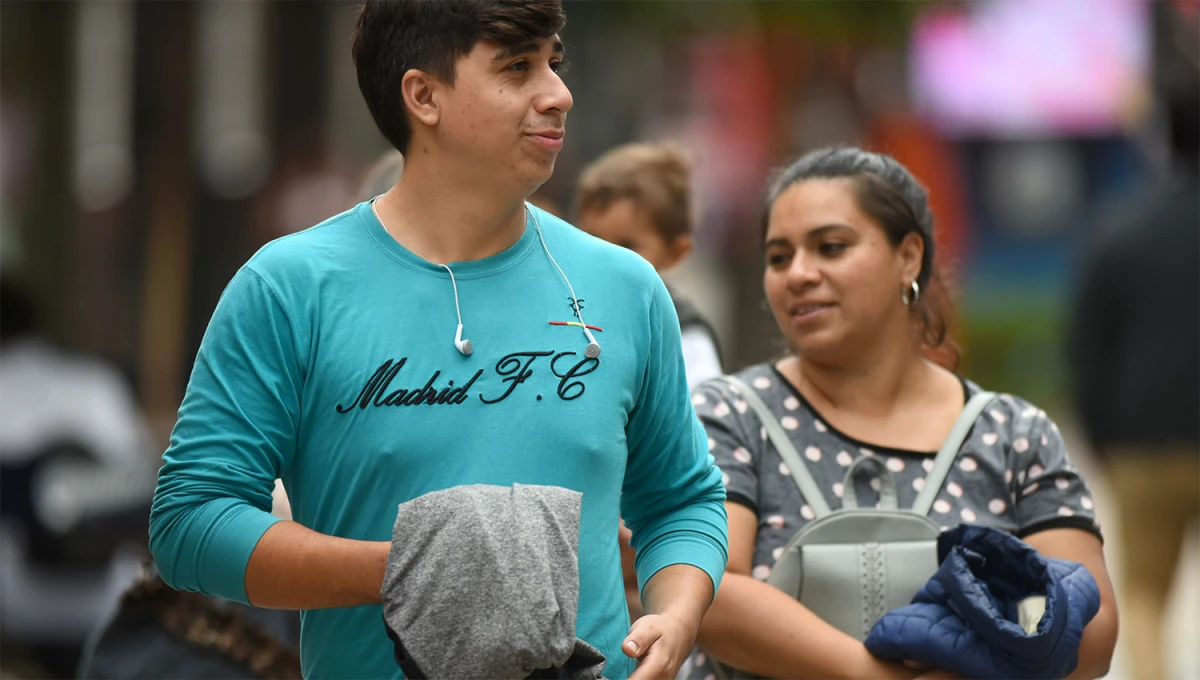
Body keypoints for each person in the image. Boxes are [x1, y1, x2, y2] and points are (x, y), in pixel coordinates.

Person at [148, 2, 728, 679]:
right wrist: (407, 566)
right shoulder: (290, 287)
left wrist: (677, 616)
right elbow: (190, 523)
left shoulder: (626, 287)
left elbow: (682, 499)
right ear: (424, 95)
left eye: (554, 62)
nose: (559, 94)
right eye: (518, 67)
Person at [678, 147, 1118, 679]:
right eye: (778, 257)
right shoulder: (729, 416)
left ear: (908, 256)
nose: (797, 274)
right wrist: (874, 674)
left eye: (830, 247)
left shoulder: (1013, 434)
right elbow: (707, 589)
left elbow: (1090, 630)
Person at [1068, 4, 1199, 678]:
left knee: (1145, 596)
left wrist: (1103, 440)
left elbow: (1087, 346)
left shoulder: (1121, 228)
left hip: (1145, 447)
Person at [575, 142, 724, 390]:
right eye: (592, 240)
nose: (605, 260)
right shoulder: (565, 312)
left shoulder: (683, 337)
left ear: (676, 253)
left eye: (627, 247)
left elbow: (704, 420)